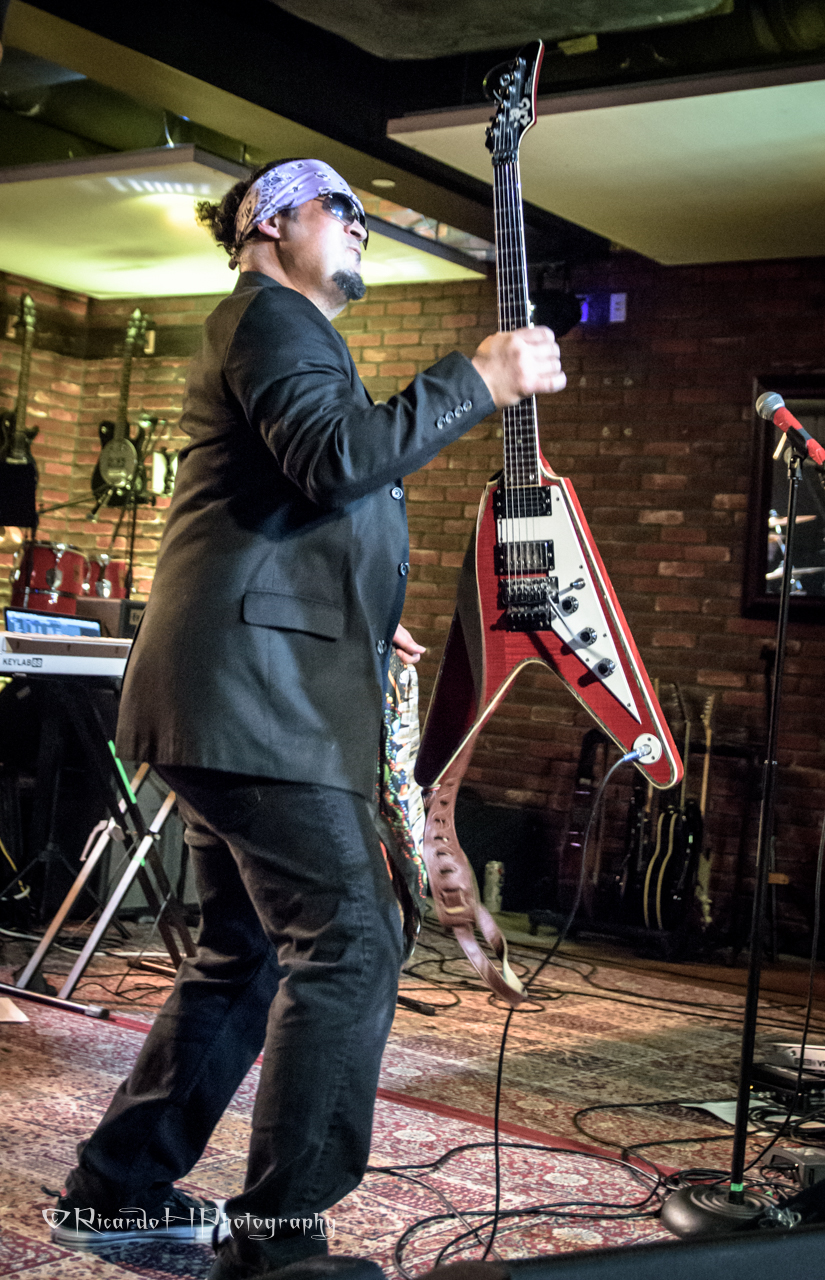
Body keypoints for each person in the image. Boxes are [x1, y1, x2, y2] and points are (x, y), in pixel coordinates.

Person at [48, 158, 565, 1279]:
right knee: (354, 937)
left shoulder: (281, 331)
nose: (364, 227)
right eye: (345, 208)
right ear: (270, 221)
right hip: (251, 700)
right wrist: (479, 376)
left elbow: (292, 498)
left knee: (245, 953)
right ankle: (281, 1249)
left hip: (240, 689)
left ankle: (115, 1190)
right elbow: (336, 461)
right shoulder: (271, 317)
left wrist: (367, 616)